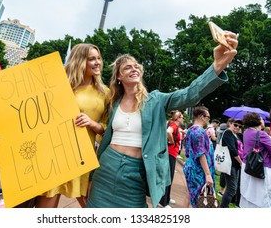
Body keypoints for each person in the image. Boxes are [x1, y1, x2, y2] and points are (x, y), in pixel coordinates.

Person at [87, 31, 238, 208]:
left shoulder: (156, 100)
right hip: (106, 168)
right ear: (119, 77)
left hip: (136, 173)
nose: (134, 68)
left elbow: (189, 94)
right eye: (128, 67)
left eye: (136, 66)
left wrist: (217, 66)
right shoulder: (113, 102)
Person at [36, 43, 110, 208]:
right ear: (79, 61)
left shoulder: (105, 93)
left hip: (82, 154)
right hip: (55, 152)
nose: (98, 62)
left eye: (99, 58)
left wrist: (92, 124)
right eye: (92, 59)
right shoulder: (60, 86)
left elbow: (108, 127)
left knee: (90, 206)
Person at [239, 112, 271, 208]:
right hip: (261, 167)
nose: (263, 120)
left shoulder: (246, 132)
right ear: (259, 121)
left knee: (250, 192)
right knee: (262, 194)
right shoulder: (261, 134)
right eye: (262, 119)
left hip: (248, 166)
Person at [183, 106, 215, 208]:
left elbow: (188, 152)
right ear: (201, 116)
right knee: (199, 200)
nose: (208, 120)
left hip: (193, 167)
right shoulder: (199, 132)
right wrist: (208, 174)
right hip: (198, 171)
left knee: (191, 196)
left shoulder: (191, 130)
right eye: (208, 117)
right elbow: (201, 154)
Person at [159, 110, 184, 208]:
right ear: (177, 118)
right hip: (170, 154)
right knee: (167, 177)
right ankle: (163, 202)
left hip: (171, 154)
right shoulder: (174, 125)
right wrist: (172, 141)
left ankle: (166, 199)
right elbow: (168, 131)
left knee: (168, 177)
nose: (183, 119)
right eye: (182, 117)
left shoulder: (174, 125)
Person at [219, 118, 243, 207]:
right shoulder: (228, 132)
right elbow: (232, 149)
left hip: (234, 164)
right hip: (230, 163)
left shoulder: (236, 135)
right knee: (232, 188)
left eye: (240, 126)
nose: (238, 127)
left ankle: (224, 206)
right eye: (235, 125)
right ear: (230, 123)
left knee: (233, 187)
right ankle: (223, 207)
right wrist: (240, 162)